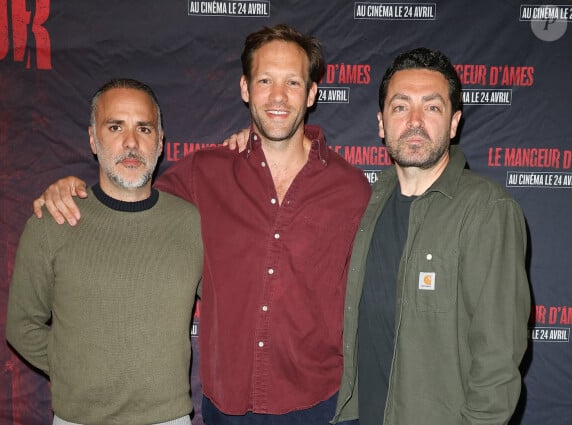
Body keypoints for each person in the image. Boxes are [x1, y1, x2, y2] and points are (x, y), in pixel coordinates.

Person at [32, 25, 371, 424]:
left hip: (321, 402)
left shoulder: (351, 188)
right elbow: (127, 200)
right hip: (227, 405)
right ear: (245, 88)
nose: (278, 97)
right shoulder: (203, 173)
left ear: (312, 93)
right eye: (265, 80)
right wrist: (70, 190)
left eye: (292, 82)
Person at [331, 48, 531, 425]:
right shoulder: (365, 202)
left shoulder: (487, 210)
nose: (415, 121)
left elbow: (498, 359)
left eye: (432, 107)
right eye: (401, 106)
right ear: (381, 122)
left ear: (454, 123)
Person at [7, 78, 203, 425]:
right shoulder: (52, 221)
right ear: (93, 139)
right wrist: (74, 371)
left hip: (169, 419)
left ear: (160, 142)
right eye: (115, 127)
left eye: (144, 128)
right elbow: (21, 326)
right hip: (77, 419)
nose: (131, 142)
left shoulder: (191, 223)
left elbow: (234, 311)